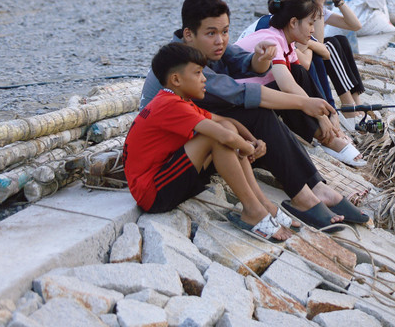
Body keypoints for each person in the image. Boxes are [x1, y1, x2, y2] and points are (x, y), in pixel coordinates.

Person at [140, 0, 369, 230]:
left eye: (225, 31)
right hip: (180, 155)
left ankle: (316, 185)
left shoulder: (206, 47)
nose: (220, 40)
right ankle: (303, 196)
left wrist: (260, 58)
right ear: (189, 34)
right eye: (211, 33)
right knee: (259, 113)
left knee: (277, 93)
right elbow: (237, 93)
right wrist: (302, 102)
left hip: (203, 125)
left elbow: (243, 62)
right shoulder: (182, 64)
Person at [125, 42, 298, 241]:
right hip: (153, 194)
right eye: (198, 73)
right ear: (176, 79)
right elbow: (224, 137)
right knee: (215, 137)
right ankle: (253, 210)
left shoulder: (180, 101)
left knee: (225, 128)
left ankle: (263, 203)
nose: (204, 78)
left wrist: (252, 140)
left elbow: (227, 122)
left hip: (168, 179)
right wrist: (248, 148)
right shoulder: (168, 105)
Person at [234, 0, 366, 168]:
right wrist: (321, 117)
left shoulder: (287, 42)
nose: (313, 30)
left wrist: (329, 113)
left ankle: (330, 131)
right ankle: (326, 138)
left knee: (299, 72)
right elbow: (287, 86)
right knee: (287, 90)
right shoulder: (272, 39)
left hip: (257, 95)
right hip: (238, 104)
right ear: (293, 22)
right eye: (310, 24)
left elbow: (301, 79)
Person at [285, 0, 367, 120]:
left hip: (304, 51)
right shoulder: (296, 7)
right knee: (330, 46)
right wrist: (319, 3)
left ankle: (356, 102)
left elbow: (355, 25)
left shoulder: (311, 6)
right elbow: (319, 42)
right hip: (295, 63)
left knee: (341, 40)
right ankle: (348, 106)